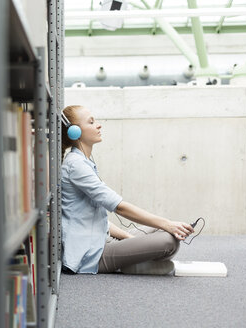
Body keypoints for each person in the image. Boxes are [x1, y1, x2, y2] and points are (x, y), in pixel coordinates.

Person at [60, 105, 194, 275]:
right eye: (91, 122)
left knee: (165, 230)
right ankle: (135, 263)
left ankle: (137, 261)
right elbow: (120, 207)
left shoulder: (83, 162)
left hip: (102, 238)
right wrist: (165, 226)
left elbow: (98, 220)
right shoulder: (76, 165)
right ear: (75, 132)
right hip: (92, 254)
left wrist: (131, 240)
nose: (99, 125)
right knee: (169, 241)